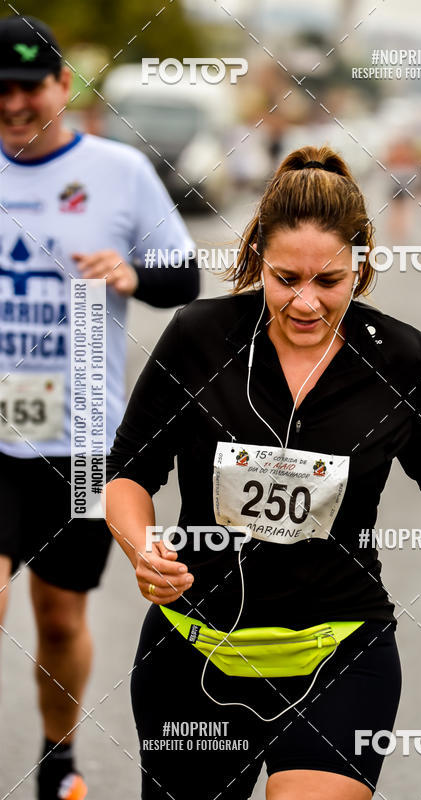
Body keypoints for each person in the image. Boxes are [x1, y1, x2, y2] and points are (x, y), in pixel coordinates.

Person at [104, 145, 421, 800]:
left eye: (329, 281)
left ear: (361, 265)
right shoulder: (199, 338)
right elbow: (128, 471)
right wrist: (141, 546)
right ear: (257, 256)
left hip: (340, 650)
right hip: (192, 652)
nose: (307, 303)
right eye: (286, 278)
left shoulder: (402, 361)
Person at [0, 14, 199, 800]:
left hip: (82, 440)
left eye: (27, 88)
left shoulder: (119, 172)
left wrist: (130, 274)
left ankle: (59, 761)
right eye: (0, 92)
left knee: (57, 617)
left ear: (61, 86)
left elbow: (183, 278)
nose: (13, 104)